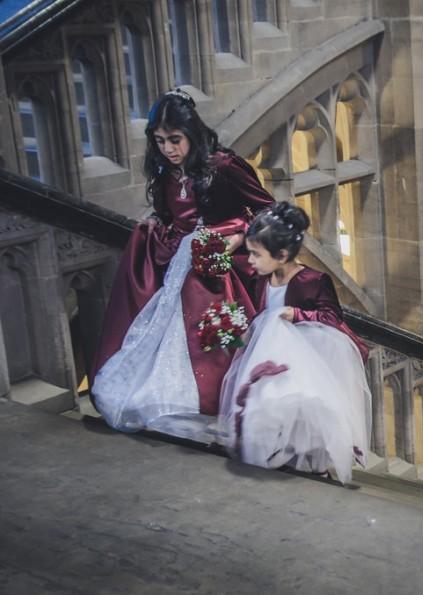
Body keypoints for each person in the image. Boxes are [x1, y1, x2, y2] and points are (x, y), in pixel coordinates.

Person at [91, 89, 274, 436]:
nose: (168, 149)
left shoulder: (224, 166)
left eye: (175, 140)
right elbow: (172, 218)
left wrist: (236, 237)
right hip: (179, 265)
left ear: (191, 133)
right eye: (159, 141)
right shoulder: (164, 172)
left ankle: (211, 398)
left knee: (213, 334)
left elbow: (267, 209)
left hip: (219, 267)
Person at [218, 202, 371, 483]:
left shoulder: (313, 280)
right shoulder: (260, 276)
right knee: (267, 401)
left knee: (303, 408)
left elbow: (331, 316)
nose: (249, 260)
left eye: (255, 254)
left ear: (282, 255)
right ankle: (273, 452)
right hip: (269, 349)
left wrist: (297, 313)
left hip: (306, 355)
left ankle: (311, 462)